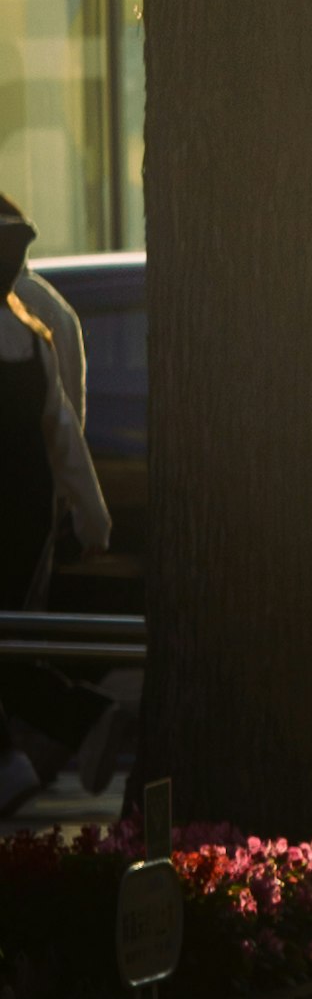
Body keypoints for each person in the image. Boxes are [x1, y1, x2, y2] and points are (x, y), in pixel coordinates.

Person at [0, 199, 108, 811]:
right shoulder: (41, 331)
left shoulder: (36, 324)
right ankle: (69, 732)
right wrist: (87, 516)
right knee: (15, 640)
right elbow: (67, 432)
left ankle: (43, 745)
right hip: (32, 515)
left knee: (10, 647)